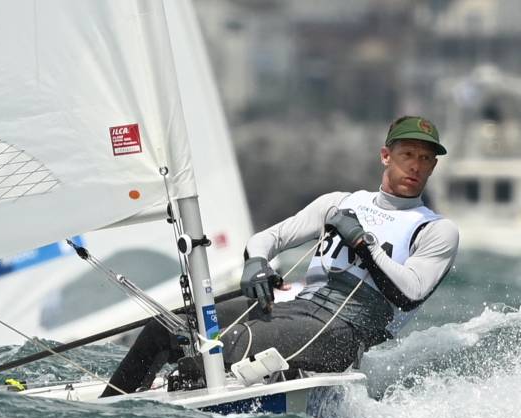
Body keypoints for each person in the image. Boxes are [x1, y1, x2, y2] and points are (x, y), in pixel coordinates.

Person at [102, 115, 459, 396]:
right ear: (386, 155)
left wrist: (363, 244)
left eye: (425, 159)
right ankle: (111, 411)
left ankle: (192, 393)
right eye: (407, 155)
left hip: (348, 332)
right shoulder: (339, 202)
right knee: (167, 329)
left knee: (224, 348)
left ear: (432, 167)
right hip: (297, 310)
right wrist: (257, 263)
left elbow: (409, 293)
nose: (415, 166)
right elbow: (268, 238)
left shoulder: (435, 230)